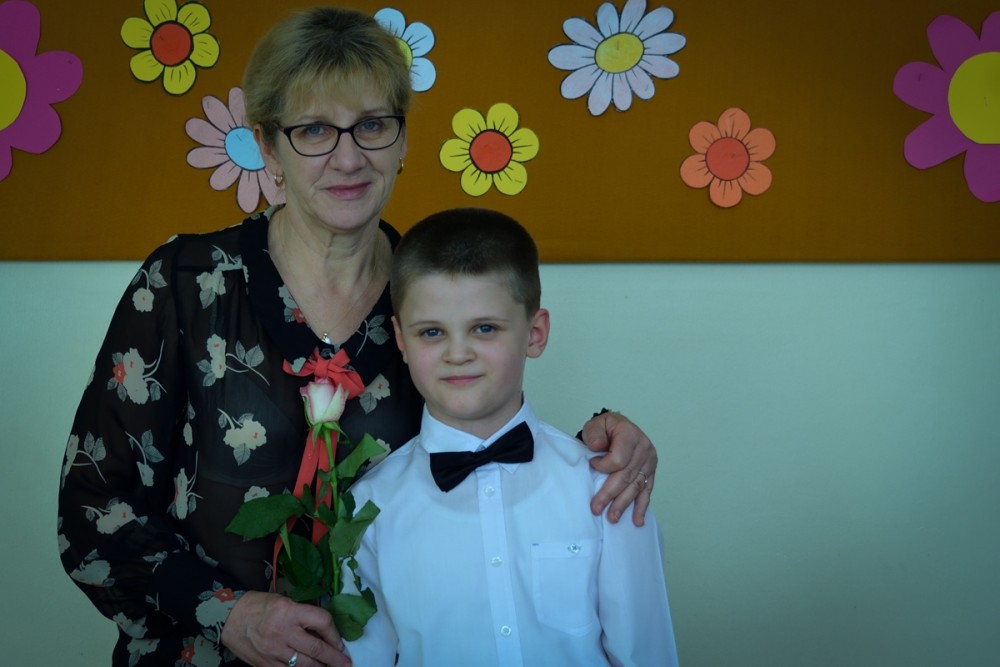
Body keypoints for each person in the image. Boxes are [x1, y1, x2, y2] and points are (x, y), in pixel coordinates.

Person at [57, 7, 659, 667]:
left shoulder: (431, 295)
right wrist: (228, 612)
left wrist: (601, 440)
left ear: (402, 141)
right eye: (314, 129)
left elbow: (487, 449)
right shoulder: (183, 283)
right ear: (268, 148)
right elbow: (92, 510)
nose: (348, 158)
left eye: (372, 125)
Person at [344, 207, 677, 666]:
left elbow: (647, 655)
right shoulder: (367, 509)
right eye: (432, 332)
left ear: (535, 334)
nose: (457, 353)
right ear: (401, 340)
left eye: (484, 328)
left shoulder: (606, 487)